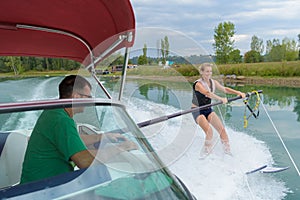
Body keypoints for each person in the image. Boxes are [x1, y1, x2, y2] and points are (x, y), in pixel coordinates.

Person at [20, 75, 137, 184]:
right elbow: (85, 162)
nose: (89, 101)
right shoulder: (61, 120)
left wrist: (101, 137)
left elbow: (70, 139)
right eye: (88, 97)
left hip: (38, 182)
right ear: (76, 96)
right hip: (42, 189)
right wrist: (121, 147)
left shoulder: (54, 111)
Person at [191, 63, 246, 155]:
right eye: (207, 71)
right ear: (202, 72)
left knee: (222, 130)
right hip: (197, 111)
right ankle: (207, 154)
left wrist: (238, 92)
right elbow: (207, 93)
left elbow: (225, 89)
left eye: (210, 71)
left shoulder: (213, 82)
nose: (209, 73)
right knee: (209, 132)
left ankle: (228, 153)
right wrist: (220, 99)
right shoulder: (198, 84)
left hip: (208, 109)